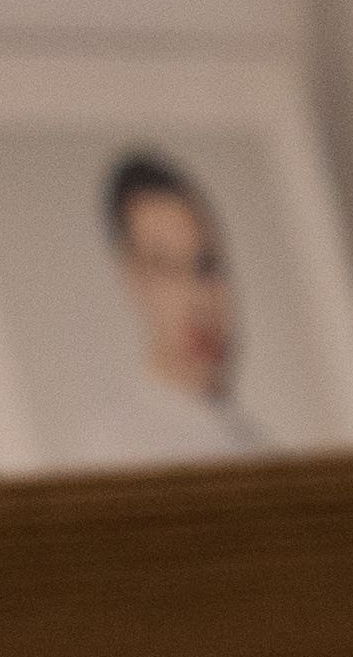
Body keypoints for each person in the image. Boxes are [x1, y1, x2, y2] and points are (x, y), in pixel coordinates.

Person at [92, 152, 265, 462]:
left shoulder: (248, 438)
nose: (196, 300)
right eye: (167, 269)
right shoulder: (117, 450)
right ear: (132, 280)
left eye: (206, 266)